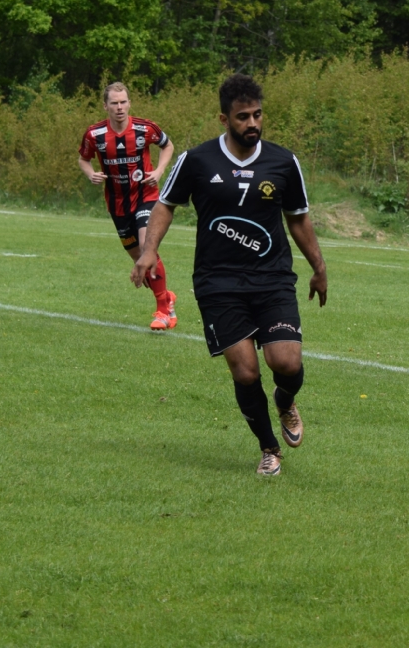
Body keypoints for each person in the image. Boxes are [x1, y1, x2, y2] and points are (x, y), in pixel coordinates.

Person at [131, 74, 328, 476]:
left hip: (272, 277)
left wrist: (319, 268)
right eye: (242, 117)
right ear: (224, 119)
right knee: (245, 369)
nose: (252, 123)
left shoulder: (283, 162)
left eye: (257, 115)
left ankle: (285, 400)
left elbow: (298, 218)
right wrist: (149, 250)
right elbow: (166, 204)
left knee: (286, 363)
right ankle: (269, 448)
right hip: (217, 282)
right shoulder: (196, 160)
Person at [79, 81, 177, 330]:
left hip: (146, 195)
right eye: (114, 103)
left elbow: (167, 145)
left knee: (146, 247)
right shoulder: (94, 134)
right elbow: (83, 159)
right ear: (106, 106)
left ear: (129, 103)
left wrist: (159, 170)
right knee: (138, 258)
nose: (119, 107)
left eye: (123, 102)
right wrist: (91, 174)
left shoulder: (145, 128)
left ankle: (163, 311)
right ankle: (167, 298)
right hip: (117, 204)